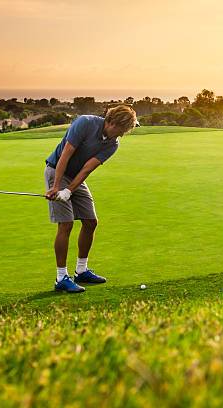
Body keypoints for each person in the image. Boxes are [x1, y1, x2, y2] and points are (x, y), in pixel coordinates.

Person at [44, 105, 138, 292]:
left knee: (91, 222)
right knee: (66, 224)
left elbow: (87, 168)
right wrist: (56, 187)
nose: (121, 135)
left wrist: (69, 190)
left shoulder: (113, 144)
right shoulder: (85, 123)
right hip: (57, 171)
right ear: (111, 122)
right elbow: (65, 155)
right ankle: (61, 278)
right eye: (121, 130)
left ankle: (81, 270)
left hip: (76, 177)